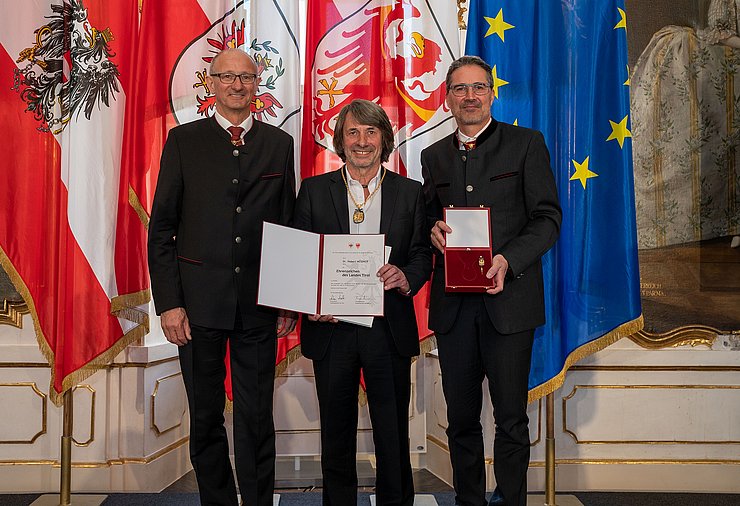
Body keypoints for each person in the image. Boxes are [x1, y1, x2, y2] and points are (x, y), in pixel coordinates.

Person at [148, 48, 296, 506]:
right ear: (210, 83)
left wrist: (288, 299)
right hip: (196, 309)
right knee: (206, 416)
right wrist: (169, 304)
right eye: (227, 77)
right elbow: (162, 230)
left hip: (259, 306)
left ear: (257, 84)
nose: (237, 85)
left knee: (256, 418)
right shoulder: (183, 141)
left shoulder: (278, 143)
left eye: (246, 77)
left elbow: (286, 226)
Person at [421, 56, 562, 506]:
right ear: (447, 98)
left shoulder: (525, 144)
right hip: (454, 310)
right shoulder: (433, 155)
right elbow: (427, 217)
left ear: (492, 94)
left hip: (510, 305)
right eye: (460, 89)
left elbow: (547, 219)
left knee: (511, 420)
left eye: (478, 87)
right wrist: (431, 231)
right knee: (461, 421)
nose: (470, 97)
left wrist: (507, 259)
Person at [293, 99, 432, 506]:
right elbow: (302, 256)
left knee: (392, 433)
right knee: (335, 433)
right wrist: (308, 300)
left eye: (371, 132)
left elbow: (422, 253)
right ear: (340, 140)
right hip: (331, 329)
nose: (362, 141)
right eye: (352, 132)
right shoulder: (314, 190)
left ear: (384, 140)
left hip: (387, 329)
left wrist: (407, 276)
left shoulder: (410, 192)